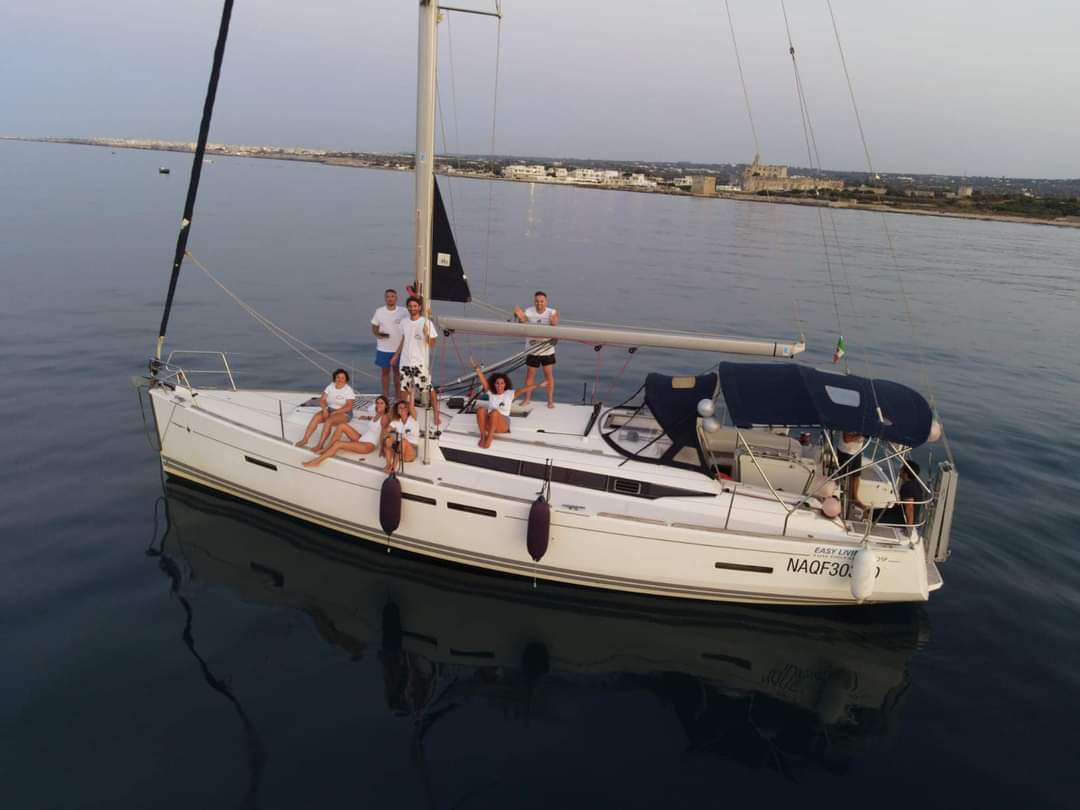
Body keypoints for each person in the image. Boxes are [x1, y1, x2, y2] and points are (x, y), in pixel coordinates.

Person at [469, 356, 550, 449]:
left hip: (502, 425)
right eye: (497, 383)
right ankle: (483, 436)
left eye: (502, 383)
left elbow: (524, 389)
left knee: (494, 412)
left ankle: (489, 438)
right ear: (494, 385)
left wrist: (538, 385)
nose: (499, 385)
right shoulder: (491, 392)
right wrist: (476, 367)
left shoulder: (509, 394)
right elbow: (483, 380)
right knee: (481, 409)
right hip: (490, 422)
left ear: (505, 384)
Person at [303, 396, 390, 468]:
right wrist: (367, 418)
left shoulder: (385, 417)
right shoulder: (378, 414)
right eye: (377, 403)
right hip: (361, 439)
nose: (379, 405)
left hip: (368, 445)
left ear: (386, 405)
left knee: (338, 444)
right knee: (342, 425)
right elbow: (376, 421)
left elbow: (383, 433)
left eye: (381, 403)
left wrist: (382, 449)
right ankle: (327, 449)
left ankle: (317, 461)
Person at [513, 291, 558, 409]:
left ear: (546, 302)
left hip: (547, 350)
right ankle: (527, 399)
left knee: (549, 376)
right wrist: (519, 316)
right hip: (532, 350)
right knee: (529, 376)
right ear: (534, 301)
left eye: (542, 301)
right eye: (537, 301)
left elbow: (555, 323)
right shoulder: (529, 311)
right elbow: (523, 321)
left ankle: (550, 401)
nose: (539, 303)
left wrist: (554, 322)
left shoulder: (551, 312)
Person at [295, 368, 355, 451]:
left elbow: (349, 406)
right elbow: (322, 400)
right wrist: (325, 409)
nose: (340, 379)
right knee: (316, 417)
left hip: (344, 413)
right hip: (330, 409)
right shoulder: (331, 386)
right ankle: (305, 439)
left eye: (342, 378)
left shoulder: (348, 390)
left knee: (329, 421)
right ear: (335, 378)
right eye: (338, 377)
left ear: (346, 379)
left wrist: (336, 412)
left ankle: (320, 445)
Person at [392, 295, 437, 394]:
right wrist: (396, 355)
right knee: (404, 389)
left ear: (419, 307)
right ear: (407, 307)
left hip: (419, 363)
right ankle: (405, 408)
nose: (412, 308)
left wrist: (426, 335)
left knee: (428, 390)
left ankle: (435, 409)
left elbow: (432, 344)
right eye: (410, 306)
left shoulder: (427, 323)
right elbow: (404, 340)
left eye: (415, 306)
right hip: (405, 362)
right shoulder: (404, 322)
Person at [371, 289, 406, 399]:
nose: (390, 298)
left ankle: (398, 396)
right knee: (385, 373)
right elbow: (374, 328)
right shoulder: (379, 311)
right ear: (385, 298)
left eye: (392, 296)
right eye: (388, 296)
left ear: (396, 298)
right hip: (383, 348)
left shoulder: (404, 311)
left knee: (398, 373)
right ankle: (385, 396)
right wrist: (379, 334)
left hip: (399, 349)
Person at [383, 389, 420, 472]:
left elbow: (411, 406)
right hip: (399, 450)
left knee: (403, 441)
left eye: (405, 407)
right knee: (387, 440)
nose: (403, 409)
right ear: (398, 411)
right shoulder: (396, 422)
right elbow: (386, 430)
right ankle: (388, 464)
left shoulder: (413, 418)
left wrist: (411, 394)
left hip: (410, 453)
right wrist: (388, 435)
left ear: (408, 410)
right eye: (400, 408)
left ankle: (393, 466)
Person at [835, 431, 866, 511]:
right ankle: (837, 497)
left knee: (856, 476)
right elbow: (847, 439)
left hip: (857, 451)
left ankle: (855, 498)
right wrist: (861, 435)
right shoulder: (850, 422)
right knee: (842, 476)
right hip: (845, 451)